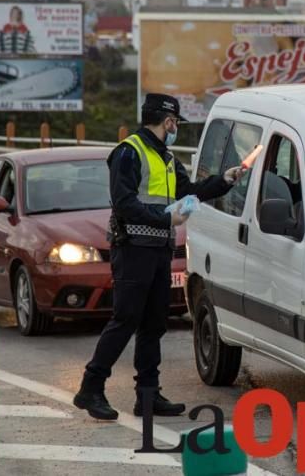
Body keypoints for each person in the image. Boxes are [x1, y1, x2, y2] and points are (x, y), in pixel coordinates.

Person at [73, 93, 244, 421]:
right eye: (176, 122)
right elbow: (124, 203)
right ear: (168, 121)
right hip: (133, 249)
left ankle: (148, 396)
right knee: (125, 319)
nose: (176, 127)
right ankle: (90, 388)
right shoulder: (128, 152)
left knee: (153, 324)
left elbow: (187, 191)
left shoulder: (165, 157)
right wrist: (165, 219)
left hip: (158, 251)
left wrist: (223, 182)